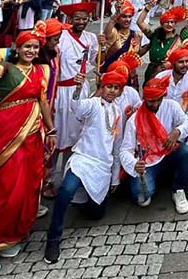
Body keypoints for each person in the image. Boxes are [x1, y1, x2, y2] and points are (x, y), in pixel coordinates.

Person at [0, 31, 55, 276]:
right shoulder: (6, 68)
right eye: (27, 46)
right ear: (17, 48)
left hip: (32, 135)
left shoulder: (41, 71)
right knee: (5, 190)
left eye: (35, 47)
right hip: (6, 132)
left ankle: (8, 237)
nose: (31, 51)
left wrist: (51, 129)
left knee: (28, 188)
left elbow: (43, 102)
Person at [44, 65, 129, 264]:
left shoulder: (117, 112)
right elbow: (77, 107)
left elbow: (117, 147)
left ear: (120, 91)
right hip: (83, 159)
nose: (112, 91)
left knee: (96, 214)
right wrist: (77, 88)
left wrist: (115, 177)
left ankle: (83, 200)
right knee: (65, 190)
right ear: (102, 87)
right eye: (109, 87)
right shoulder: (92, 104)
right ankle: (53, 238)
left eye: (116, 88)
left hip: (102, 166)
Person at [119, 75, 188, 213]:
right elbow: (125, 150)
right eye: (151, 101)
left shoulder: (171, 105)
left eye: (158, 100)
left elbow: (187, 123)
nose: (155, 104)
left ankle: (178, 189)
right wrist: (134, 163)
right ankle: (158, 178)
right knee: (141, 198)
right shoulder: (134, 120)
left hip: (168, 152)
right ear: (145, 99)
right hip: (147, 162)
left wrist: (177, 131)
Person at [50, 1, 101, 192]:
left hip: (81, 89)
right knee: (57, 134)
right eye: (77, 19)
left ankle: (69, 178)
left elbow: (95, 61)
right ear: (70, 19)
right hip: (62, 92)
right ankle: (49, 179)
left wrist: (102, 48)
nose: (81, 22)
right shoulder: (61, 37)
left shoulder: (91, 38)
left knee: (78, 134)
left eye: (84, 18)